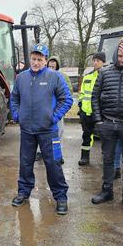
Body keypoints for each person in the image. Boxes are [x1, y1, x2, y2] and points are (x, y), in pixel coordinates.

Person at [10, 44, 73, 215]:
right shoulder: (21, 78)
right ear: (30, 58)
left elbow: (66, 99)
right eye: (34, 58)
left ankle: (61, 197)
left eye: (40, 59)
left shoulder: (54, 77)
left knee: (53, 164)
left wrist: (52, 118)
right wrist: (16, 115)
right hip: (27, 130)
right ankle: (23, 192)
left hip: (48, 130)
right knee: (25, 163)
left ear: (45, 60)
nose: (36, 62)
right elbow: (14, 98)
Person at [91, 37, 123, 210]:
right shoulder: (105, 72)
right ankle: (107, 191)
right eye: (120, 55)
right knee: (107, 160)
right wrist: (99, 120)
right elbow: (95, 98)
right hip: (107, 123)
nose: (122, 59)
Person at [35, 56, 73, 163]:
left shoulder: (63, 76)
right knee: (40, 131)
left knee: (58, 132)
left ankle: (58, 155)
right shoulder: (41, 75)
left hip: (57, 110)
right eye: (50, 64)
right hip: (43, 110)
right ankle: (39, 152)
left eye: (54, 64)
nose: (51, 66)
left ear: (57, 65)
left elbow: (68, 92)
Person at [78, 52, 106, 166]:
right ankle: (84, 157)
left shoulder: (105, 75)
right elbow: (82, 93)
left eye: (98, 60)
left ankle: (106, 160)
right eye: (94, 60)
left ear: (103, 62)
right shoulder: (87, 76)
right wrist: (80, 106)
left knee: (105, 137)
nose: (95, 62)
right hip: (86, 112)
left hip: (100, 113)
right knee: (86, 135)